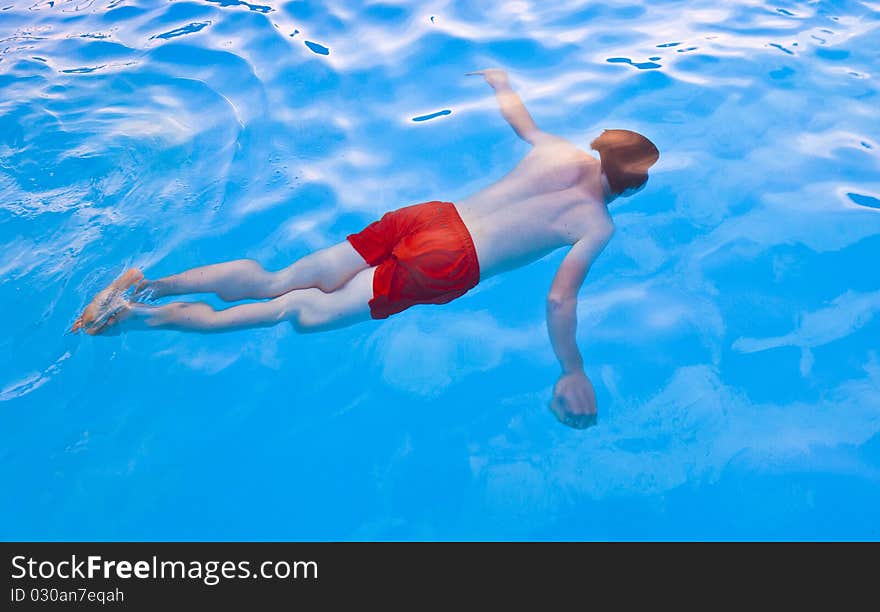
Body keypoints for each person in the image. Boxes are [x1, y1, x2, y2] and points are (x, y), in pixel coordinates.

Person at [72, 69, 659, 428]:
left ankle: (147, 280)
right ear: (630, 186)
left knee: (280, 278)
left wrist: (502, 84)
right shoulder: (596, 223)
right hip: (451, 261)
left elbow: (521, 122)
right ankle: (135, 321)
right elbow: (559, 301)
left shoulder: (557, 149)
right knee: (292, 312)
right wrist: (572, 368)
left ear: (598, 146)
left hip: (430, 215)